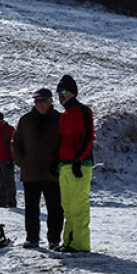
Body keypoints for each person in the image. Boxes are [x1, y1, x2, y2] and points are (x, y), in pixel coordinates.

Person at [12, 88, 63, 249]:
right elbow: (16, 142)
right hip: (31, 172)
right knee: (31, 208)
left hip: (52, 172)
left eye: (43, 101)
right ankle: (32, 238)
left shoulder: (60, 119)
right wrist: (22, 161)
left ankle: (54, 240)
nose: (39, 104)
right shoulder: (25, 120)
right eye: (37, 101)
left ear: (50, 101)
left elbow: (66, 143)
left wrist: (60, 162)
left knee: (55, 208)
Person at [56, 75, 95, 253]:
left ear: (72, 92)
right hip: (65, 165)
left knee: (79, 205)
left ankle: (80, 244)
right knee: (68, 206)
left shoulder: (83, 111)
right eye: (58, 92)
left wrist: (79, 160)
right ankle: (69, 242)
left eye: (63, 91)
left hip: (79, 165)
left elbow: (88, 136)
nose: (60, 95)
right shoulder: (64, 115)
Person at [0, 111, 17, 208]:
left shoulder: (9, 130)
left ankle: (11, 202)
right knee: (1, 182)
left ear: (0, 119)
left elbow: (12, 145)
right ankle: (2, 202)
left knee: (9, 181)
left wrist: (11, 159)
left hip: (7, 160)